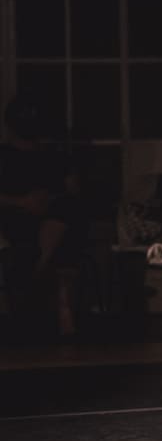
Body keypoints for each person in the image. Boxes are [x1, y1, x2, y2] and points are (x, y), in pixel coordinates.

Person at [0, 96, 85, 337]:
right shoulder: (3, 156)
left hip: (54, 221)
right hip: (15, 219)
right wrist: (22, 202)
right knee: (52, 236)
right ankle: (57, 302)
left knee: (68, 216)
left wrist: (48, 200)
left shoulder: (55, 156)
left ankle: (37, 268)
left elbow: (73, 192)